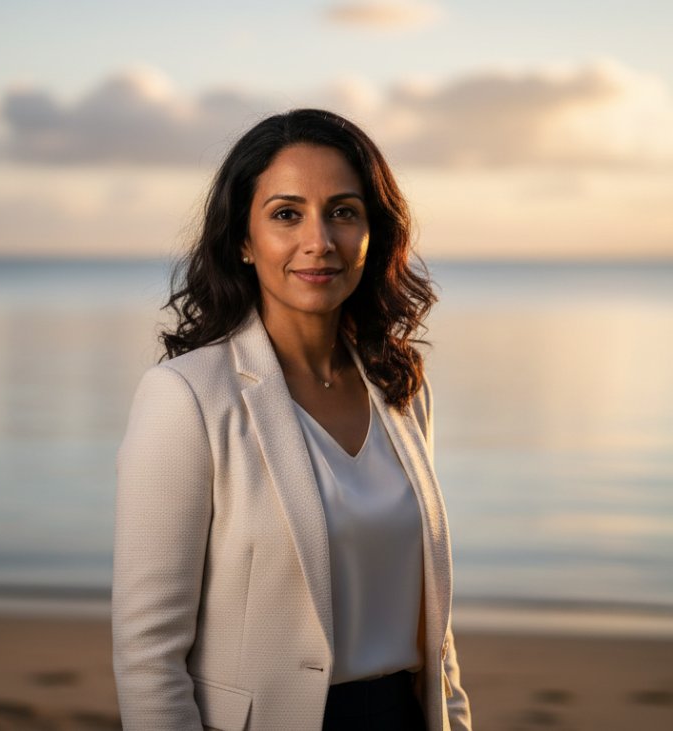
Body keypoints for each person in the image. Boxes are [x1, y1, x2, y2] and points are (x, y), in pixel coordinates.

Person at [112, 108, 472, 731]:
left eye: (343, 212)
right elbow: (147, 654)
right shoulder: (186, 397)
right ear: (244, 241)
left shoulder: (401, 388)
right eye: (286, 214)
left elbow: (435, 627)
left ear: (373, 233)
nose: (319, 241)